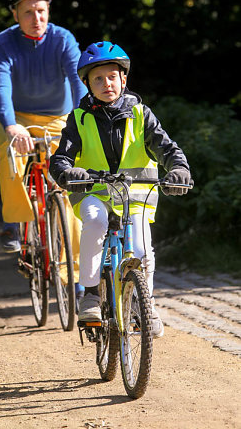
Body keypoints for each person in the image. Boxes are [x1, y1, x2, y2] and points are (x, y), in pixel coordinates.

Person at [49, 41, 192, 338]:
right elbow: (60, 159)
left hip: (136, 197)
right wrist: (67, 172)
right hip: (93, 194)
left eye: (112, 77)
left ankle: (146, 305)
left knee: (142, 251)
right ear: (87, 84)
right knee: (96, 223)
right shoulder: (78, 119)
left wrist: (178, 169)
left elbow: (167, 148)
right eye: (98, 79)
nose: (106, 83)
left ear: (123, 79)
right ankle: (90, 293)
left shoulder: (142, 115)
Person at [0, 0, 87, 287]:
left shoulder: (63, 39)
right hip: (16, 118)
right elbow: (1, 89)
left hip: (59, 119)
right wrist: (12, 125)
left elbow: (77, 81)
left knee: (66, 188)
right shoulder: (2, 43)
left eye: (41, 11)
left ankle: (77, 275)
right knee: (9, 151)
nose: (36, 19)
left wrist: (87, 118)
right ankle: (16, 223)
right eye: (28, 12)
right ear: (15, 13)